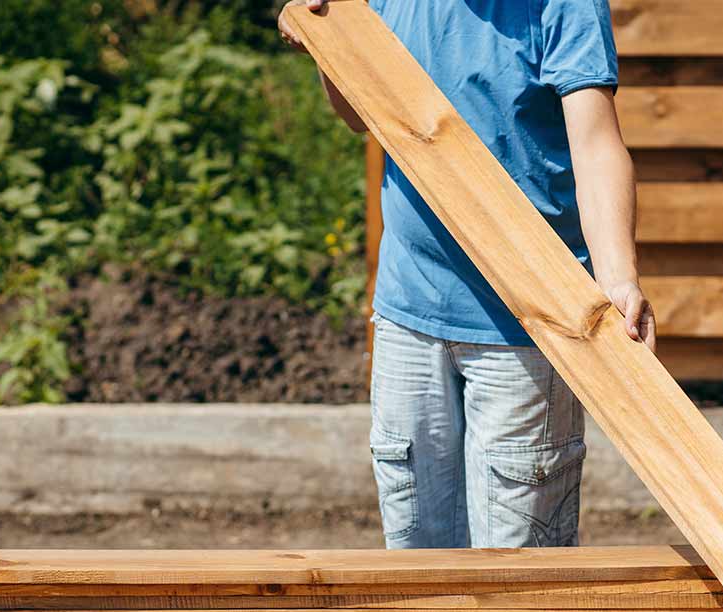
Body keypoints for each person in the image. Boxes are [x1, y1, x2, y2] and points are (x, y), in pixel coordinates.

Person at [279, 0, 655, 550]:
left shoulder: (563, 6)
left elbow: (595, 145)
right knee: (417, 564)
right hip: (409, 317)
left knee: (518, 575)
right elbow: (361, 112)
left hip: (530, 325)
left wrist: (618, 278)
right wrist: (324, 39)